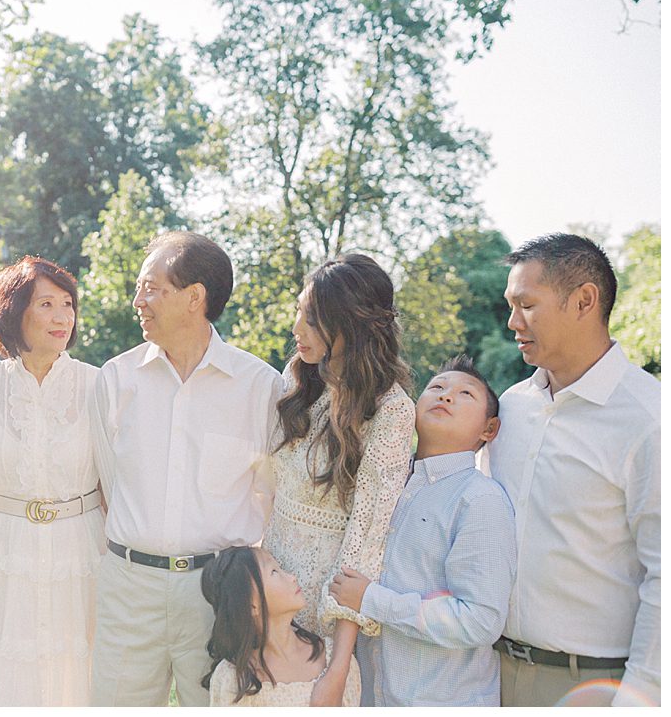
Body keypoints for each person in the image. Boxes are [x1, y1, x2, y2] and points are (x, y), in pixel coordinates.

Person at [89, 230, 285, 707]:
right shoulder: (117, 378)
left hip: (217, 596)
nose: (138, 301)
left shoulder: (261, 388)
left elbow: (273, 495)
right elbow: (105, 483)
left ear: (195, 297)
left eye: (152, 288)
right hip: (127, 590)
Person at [484, 233, 659, 707]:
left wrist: (639, 699)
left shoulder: (650, 420)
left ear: (584, 301)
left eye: (526, 305)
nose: (512, 321)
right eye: (510, 305)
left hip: (593, 687)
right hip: (487, 677)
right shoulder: (508, 411)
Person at [0, 256, 105, 706]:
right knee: (7, 668)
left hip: (81, 551)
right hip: (5, 549)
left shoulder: (98, 386)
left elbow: (118, 480)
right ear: (15, 311)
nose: (62, 317)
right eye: (47, 304)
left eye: (68, 304)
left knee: (77, 666)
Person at [262, 253, 415, 706]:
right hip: (272, 594)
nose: (296, 328)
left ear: (351, 324)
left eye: (311, 319)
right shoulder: (300, 384)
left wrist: (339, 662)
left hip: (326, 606)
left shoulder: (391, 410)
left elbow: (366, 541)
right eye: (299, 313)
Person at [329, 355, 515, 706]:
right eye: (437, 387)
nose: (446, 396)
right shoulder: (383, 483)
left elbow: (481, 620)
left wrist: (372, 600)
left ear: (488, 429)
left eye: (465, 394)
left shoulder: (479, 500)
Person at [202, 546, 361, 706]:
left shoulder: (335, 658)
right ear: (252, 605)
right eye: (274, 572)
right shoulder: (234, 681)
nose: (292, 577)